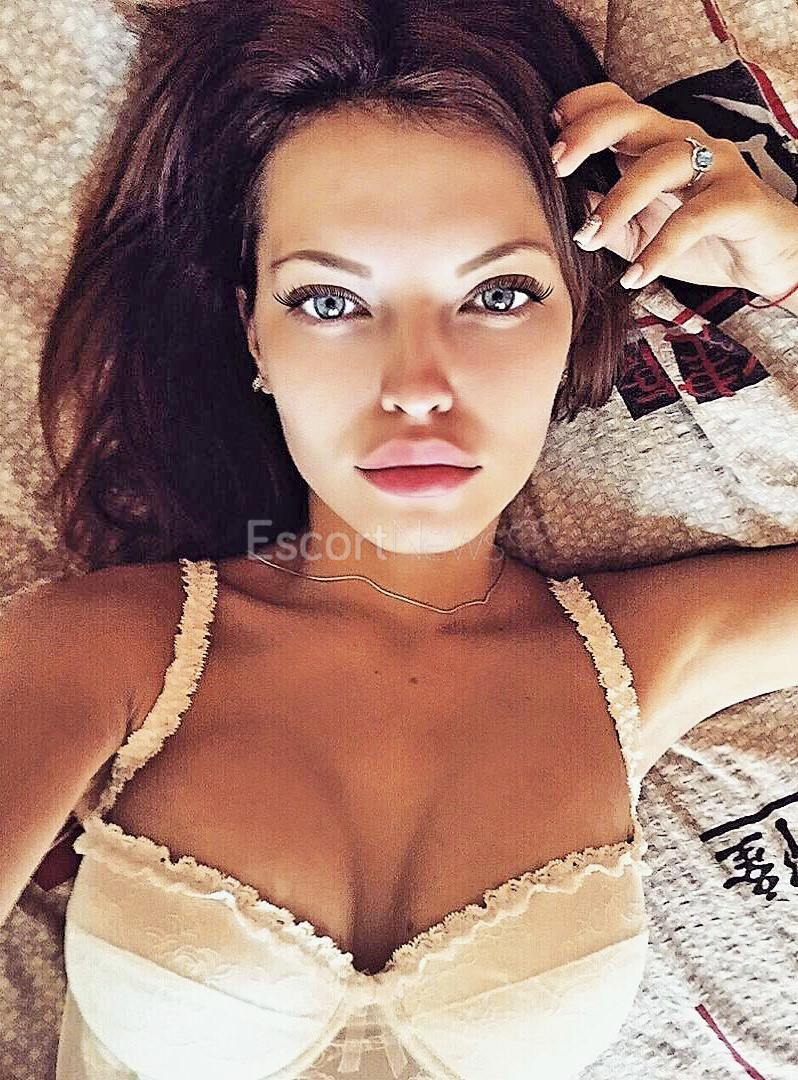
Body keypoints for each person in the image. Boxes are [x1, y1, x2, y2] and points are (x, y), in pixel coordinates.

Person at [1, 1, 797, 1077]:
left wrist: (788, 261)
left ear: (578, 310)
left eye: (499, 293)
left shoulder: (634, 658)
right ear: (254, 336)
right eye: (331, 301)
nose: (417, 386)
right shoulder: (96, 652)